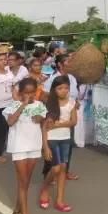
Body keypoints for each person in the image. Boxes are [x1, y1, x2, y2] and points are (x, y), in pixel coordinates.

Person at [4, 77, 47, 214]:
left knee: (26, 181)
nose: (30, 95)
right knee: (22, 180)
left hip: (34, 146)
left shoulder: (40, 105)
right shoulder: (13, 105)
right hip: (19, 147)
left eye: (32, 92)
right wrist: (22, 104)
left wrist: (41, 119)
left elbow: (44, 120)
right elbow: (10, 122)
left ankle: (17, 211)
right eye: (26, 92)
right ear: (20, 92)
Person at [40, 76, 78, 212]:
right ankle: (45, 188)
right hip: (51, 139)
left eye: (66, 88)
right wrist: (45, 147)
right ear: (54, 89)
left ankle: (60, 200)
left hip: (65, 138)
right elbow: (44, 127)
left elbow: (74, 121)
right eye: (60, 88)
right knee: (55, 169)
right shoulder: (49, 104)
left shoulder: (71, 102)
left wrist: (59, 125)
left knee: (63, 168)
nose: (63, 91)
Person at [41, 53, 80, 181]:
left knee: (67, 146)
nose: (71, 63)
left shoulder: (72, 78)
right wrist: (56, 105)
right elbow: (43, 96)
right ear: (59, 64)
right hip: (55, 115)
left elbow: (73, 96)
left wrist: (74, 103)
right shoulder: (52, 79)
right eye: (68, 61)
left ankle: (65, 171)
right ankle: (49, 172)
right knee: (52, 146)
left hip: (69, 114)